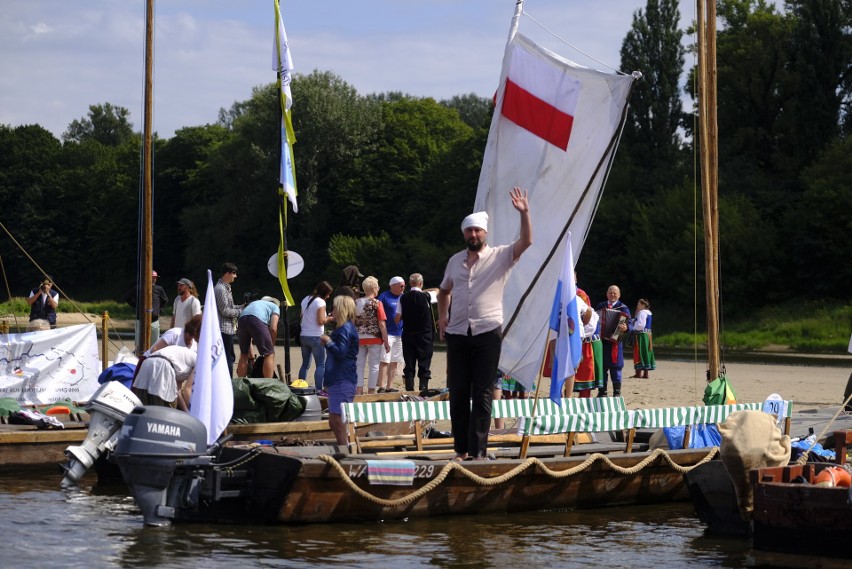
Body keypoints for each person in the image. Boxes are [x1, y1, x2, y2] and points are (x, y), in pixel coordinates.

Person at [437, 186, 533, 461]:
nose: (473, 235)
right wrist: (442, 316)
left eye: (477, 230)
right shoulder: (455, 261)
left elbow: (526, 242)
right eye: (469, 231)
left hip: (488, 332)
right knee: (457, 392)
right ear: (464, 234)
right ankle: (460, 450)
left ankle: (478, 451)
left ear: (485, 233)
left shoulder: (500, 255)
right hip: (457, 333)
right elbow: (444, 290)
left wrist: (524, 214)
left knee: (482, 393)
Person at [321, 295, 359, 448]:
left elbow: (341, 352)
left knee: (337, 419)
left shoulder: (344, 329)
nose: (332, 311)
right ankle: (344, 447)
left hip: (342, 378)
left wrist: (328, 341)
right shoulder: (345, 328)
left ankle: (345, 449)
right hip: (340, 377)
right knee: (334, 419)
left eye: (335, 307)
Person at [395, 273, 434, 391]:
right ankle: (423, 387)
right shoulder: (427, 296)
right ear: (421, 283)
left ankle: (409, 388)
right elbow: (438, 290)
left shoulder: (403, 298)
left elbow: (397, 319)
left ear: (409, 284)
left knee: (409, 362)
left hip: (408, 334)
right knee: (425, 361)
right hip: (425, 334)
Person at [131, 344, 196, 411]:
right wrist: (194, 412)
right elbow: (187, 390)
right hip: (163, 365)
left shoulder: (182, 362)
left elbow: (178, 392)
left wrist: (187, 411)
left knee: (142, 406)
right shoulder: (199, 363)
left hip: (148, 362)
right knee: (162, 411)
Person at [354, 276, 390, 394]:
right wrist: (386, 341)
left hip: (359, 338)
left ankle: (359, 389)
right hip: (375, 338)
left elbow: (353, 321)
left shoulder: (356, 302)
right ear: (374, 288)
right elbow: (382, 324)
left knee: (359, 365)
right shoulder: (377, 303)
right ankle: (371, 391)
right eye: (378, 287)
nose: (378, 289)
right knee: (374, 366)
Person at [595, 285, 631, 397]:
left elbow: (630, 324)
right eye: (610, 292)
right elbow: (595, 321)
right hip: (602, 342)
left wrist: (626, 328)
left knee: (616, 368)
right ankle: (602, 392)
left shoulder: (623, 308)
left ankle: (617, 393)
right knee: (602, 368)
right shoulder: (601, 306)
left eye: (615, 293)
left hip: (615, 343)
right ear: (607, 294)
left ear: (619, 295)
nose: (613, 295)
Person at [299, 281, 334, 393]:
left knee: (305, 364)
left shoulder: (305, 299)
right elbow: (320, 321)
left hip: (304, 335)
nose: (328, 296)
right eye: (328, 294)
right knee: (320, 364)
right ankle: (319, 389)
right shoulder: (321, 302)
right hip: (316, 336)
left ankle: (300, 386)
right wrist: (330, 318)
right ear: (324, 293)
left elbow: (301, 316)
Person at [236, 296, 280, 378]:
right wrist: (271, 345)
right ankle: (268, 384)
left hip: (242, 319)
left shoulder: (254, 304)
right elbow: (273, 328)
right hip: (256, 320)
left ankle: (240, 383)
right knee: (269, 354)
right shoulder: (275, 307)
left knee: (244, 355)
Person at [124, 270, 169, 350]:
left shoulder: (159, 289)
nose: (154, 279)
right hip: (141, 320)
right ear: (148, 277)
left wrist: (158, 310)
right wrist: (136, 306)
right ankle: (139, 359)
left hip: (154, 321)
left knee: (155, 345)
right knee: (139, 344)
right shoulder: (138, 287)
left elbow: (165, 300)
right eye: (152, 277)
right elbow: (127, 297)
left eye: (155, 278)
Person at [573, 282, 602, 398]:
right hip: (577, 340)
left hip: (588, 342)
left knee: (586, 372)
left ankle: (584, 397)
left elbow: (588, 323)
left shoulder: (580, 297)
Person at [214, 262, 243, 378]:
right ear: (227, 274)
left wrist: (242, 306)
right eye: (234, 273)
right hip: (224, 329)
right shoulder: (220, 289)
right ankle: (227, 384)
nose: (235, 276)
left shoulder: (226, 288)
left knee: (230, 357)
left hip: (227, 328)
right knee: (228, 358)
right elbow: (225, 311)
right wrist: (241, 312)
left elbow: (230, 307)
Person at [378, 276, 405, 392]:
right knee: (385, 360)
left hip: (400, 333)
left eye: (404, 285)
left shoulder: (404, 297)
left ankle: (390, 386)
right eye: (401, 285)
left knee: (395, 360)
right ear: (393, 286)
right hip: (387, 333)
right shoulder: (384, 296)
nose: (403, 288)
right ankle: (381, 386)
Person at [631, 298, 656, 379]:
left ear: (643, 305)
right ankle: (645, 373)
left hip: (641, 334)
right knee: (646, 352)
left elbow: (640, 325)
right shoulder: (649, 313)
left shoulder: (642, 312)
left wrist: (633, 327)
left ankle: (638, 373)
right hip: (648, 334)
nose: (637, 305)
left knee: (639, 352)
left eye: (639, 304)